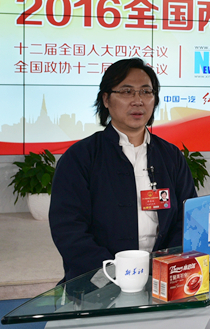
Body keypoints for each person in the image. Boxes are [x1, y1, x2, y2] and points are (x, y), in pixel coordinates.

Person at [49, 58, 197, 282]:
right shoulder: (80, 157)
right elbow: (68, 229)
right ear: (106, 99)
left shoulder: (171, 156)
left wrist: (166, 268)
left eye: (146, 92)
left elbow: (187, 218)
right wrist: (115, 274)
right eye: (127, 92)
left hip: (161, 277)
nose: (138, 101)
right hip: (101, 280)